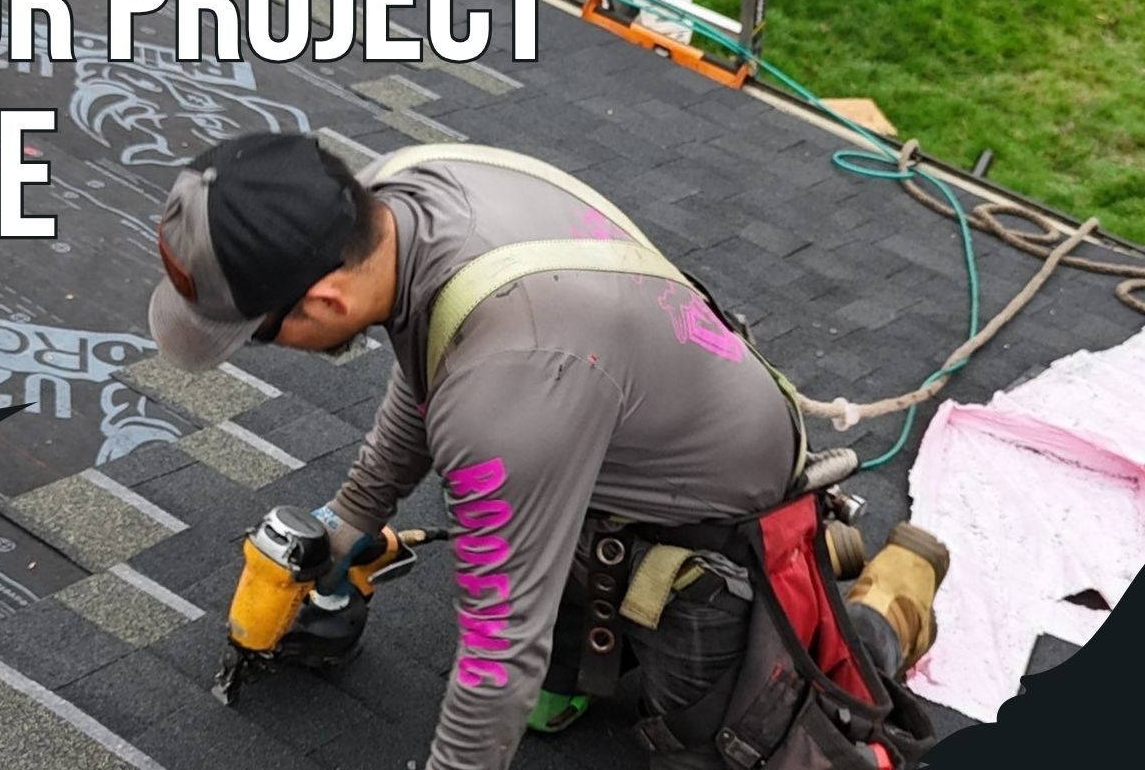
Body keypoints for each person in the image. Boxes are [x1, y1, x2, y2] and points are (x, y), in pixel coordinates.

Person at [147, 132, 947, 770]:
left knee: (742, 746)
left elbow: (499, 646)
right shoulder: (402, 193)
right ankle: (603, 641)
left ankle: (884, 603)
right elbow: (432, 362)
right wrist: (352, 515)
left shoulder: (508, 390)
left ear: (324, 299)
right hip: (601, 440)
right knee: (551, 689)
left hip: (721, 516)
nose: (264, 350)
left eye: (259, 333)